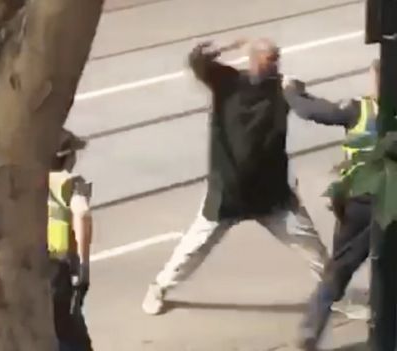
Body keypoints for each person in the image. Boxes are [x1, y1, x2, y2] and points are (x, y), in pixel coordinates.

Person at [141, 38, 330, 316]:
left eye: (276, 59)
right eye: (268, 60)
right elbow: (198, 62)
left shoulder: (282, 88)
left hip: (271, 192)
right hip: (229, 190)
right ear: (253, 60)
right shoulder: (227, 82)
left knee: (310, 245)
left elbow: (302, 98)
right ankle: (159, 287)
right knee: (195, 246)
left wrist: (295, 89)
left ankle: (333, 292)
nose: (274, 65)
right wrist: (223, 48)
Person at [282, 59, 380, 350]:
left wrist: (291, 91)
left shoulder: (360, 110)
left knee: (338, 267)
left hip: (356, 203)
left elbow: (313, 111)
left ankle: (313, 324)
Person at [48, 129, 94, 351]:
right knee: (71, 335)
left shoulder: (31, 184)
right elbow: (82, 213)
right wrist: (83, 265)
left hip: (35, 267)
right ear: (67, 157)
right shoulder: (72, 184)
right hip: (61, 270)